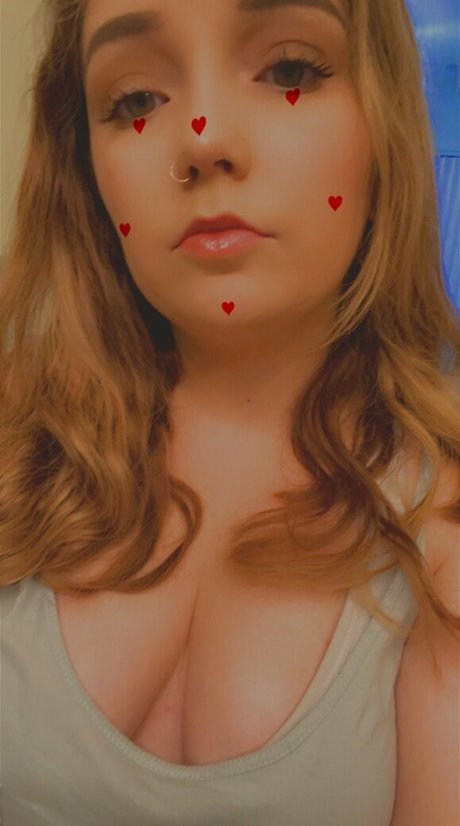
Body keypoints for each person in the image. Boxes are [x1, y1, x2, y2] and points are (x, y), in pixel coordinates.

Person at [0, 1, 459, 824]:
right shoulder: (15, 451)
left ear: (382, 126)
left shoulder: (442, 534)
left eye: (290, 70)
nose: (203, 139)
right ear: (85, 164)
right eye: (136, 100)